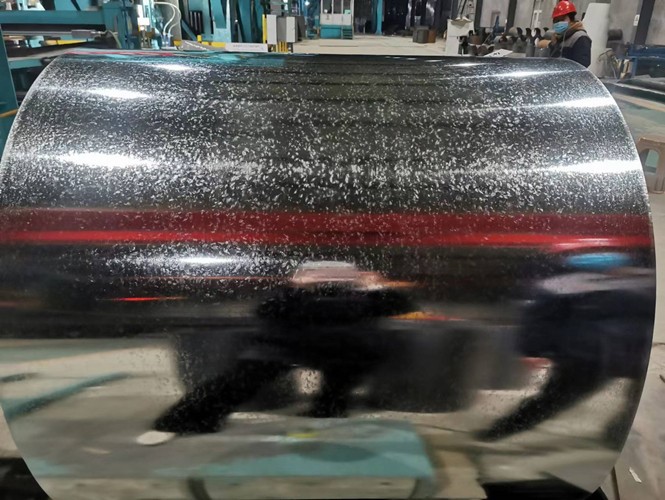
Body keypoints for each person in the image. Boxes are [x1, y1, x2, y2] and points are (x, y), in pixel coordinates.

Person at [549, 1, 591, 67]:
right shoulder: (558, 37)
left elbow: (582, 65)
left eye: (562, 19)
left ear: (571, 19)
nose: (558, 23)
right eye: (556, 21)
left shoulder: (580, 38)